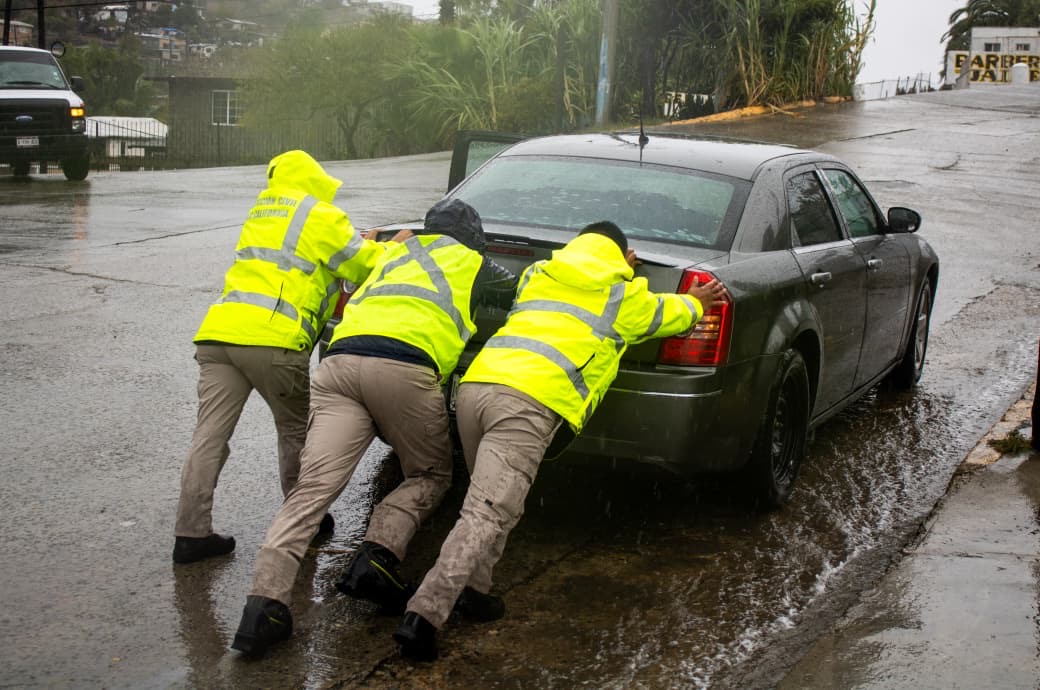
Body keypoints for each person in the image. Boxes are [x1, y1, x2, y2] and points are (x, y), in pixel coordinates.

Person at [392, 221, 728, 660]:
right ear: (621, 257)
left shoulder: (539, 275)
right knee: (487, 512)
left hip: (477, 389)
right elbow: (672, 315)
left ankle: (476, 590)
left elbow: (583, 270)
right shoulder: (621, 295)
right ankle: (424, 615)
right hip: (531, 400)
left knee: (491, 504)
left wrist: (609, 264)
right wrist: (693, 300)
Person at [230, 198, 518, 658]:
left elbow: (354, 268)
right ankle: (377, 556)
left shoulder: (391, 253)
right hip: (403, 368)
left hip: (340, 364)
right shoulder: (472, 260)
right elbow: (517, 293)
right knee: (429, 475)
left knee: (311, 489)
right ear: (472, 238)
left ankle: (263, 606)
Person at [173, 150, 392, 565]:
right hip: (274, 341)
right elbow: (364, 267)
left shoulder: (262, 209)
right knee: (295, 432)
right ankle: (304, 522)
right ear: (314, 179)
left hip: (218, 336)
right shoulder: (320, 214)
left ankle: (190, 534)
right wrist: (387, 246)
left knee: (209, 437)